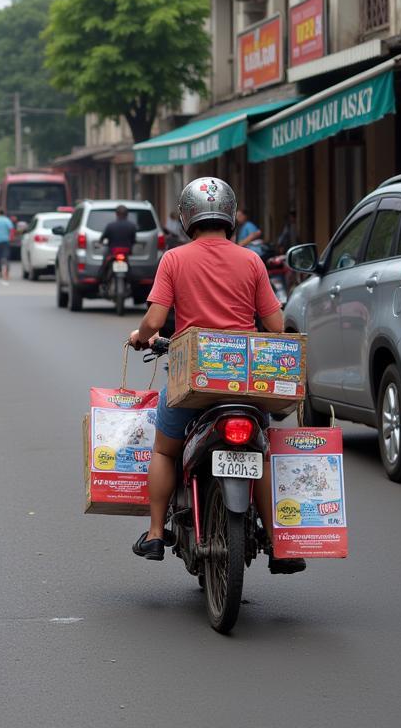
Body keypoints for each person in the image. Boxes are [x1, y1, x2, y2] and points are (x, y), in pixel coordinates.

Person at [128, 177, 304, 575]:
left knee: (163, 451)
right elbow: (275, 326)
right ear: (229, 215)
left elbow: (156, 321)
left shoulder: (174, 259)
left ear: (187, 216)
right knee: (258, 453)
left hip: (194, 379)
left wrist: (141, 338)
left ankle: (156, 532)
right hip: (246, 381)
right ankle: (277, 542)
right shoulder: (252, 260)